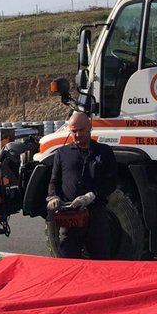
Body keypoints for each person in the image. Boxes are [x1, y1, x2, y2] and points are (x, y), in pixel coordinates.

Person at [46, 111, 118, 259]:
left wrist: (91, 196)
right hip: (70, 217)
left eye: (81, 130)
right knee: (68, 263)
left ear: (90, 127)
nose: (77, 134)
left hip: (96, 217)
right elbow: (54, 181)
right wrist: (53, 197)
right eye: (74, 131)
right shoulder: (62, 153)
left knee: (100, 263)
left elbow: (111, 182)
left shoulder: (104, 152)